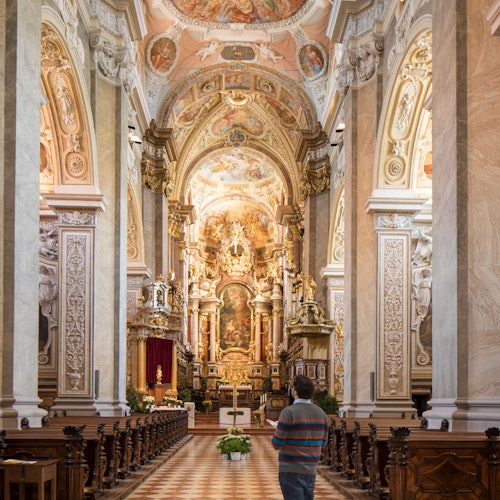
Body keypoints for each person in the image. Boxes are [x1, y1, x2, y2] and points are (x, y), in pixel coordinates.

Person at [271, 374, 329, 500]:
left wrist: (277, 433)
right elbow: (324, 442)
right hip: (311, 467)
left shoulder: (288, 412)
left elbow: (277, 443)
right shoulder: (321, 413)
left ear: (295, 391)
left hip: (291, 467)